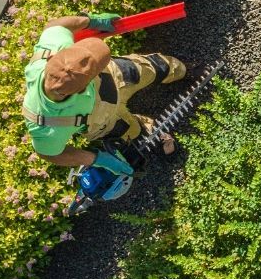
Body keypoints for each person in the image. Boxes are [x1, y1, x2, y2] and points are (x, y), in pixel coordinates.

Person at [22, 13, 187, 175]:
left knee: (153, 67)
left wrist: (91, 21)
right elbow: (49, 154)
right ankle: (151, 130)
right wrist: (96, 159)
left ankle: (184, 70)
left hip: (112, 75)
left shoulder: (48, 54)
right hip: (100, 119)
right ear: (83, 89)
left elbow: (55, 25)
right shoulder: (46, 126)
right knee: (131, 130)